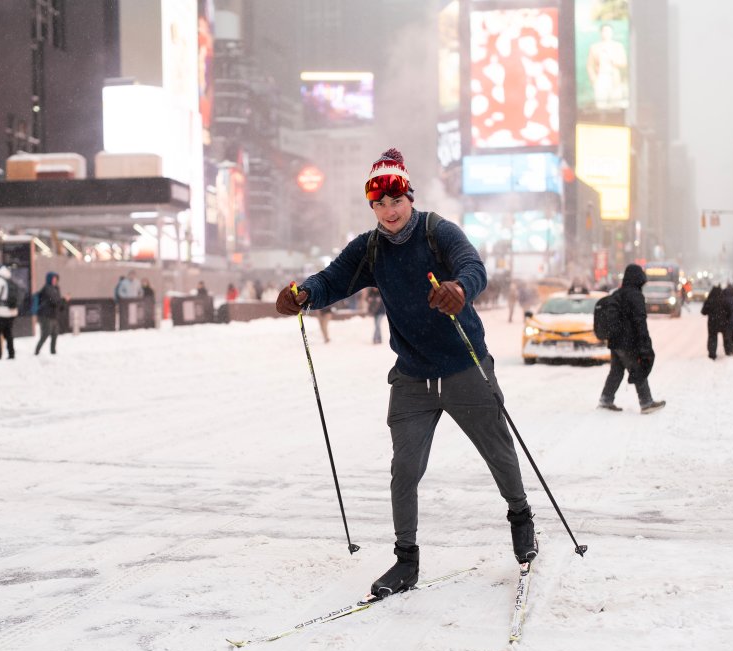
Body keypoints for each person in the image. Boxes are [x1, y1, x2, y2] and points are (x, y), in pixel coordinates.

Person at [275, 147, 537, 597]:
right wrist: (303, 294)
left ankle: (521, 517)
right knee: (405, 469)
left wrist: (459, 288)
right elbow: (333, 279)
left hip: (463, 366)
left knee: (498, 452)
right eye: (379, 204)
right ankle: (406, 560)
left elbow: (474, 268)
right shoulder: (371, 248)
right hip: (413, 376)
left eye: (395, 201)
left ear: (409, 197)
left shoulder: (439, 232)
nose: (389, 211)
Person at [598, 264, 665, 413]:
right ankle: (646, 403)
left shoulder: (618, 294)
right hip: (628, 342)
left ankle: (606, 399)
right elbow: (639, 321)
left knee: (616, 371)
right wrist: (645, 343)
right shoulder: (635, 295)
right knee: (638, 369)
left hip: (615, 341)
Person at [587, 23, 628, 111]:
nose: (606, 33)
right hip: (600, 79)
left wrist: (614, 61)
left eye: (609, 31)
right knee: (601, 106)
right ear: (601, 33)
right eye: (604, 31)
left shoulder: (618, 46)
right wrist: (594, 80)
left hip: (614, 78)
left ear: (612, 33)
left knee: (616, 106)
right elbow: (590, 66)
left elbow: (624, 63)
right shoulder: (594, 47)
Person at [34, 272, 67, 356]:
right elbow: (54, 301)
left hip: (53, 315)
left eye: (56, 279)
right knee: (45, 334)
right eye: (53, 279)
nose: (55, 280)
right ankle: (37, 352)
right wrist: (64, 300)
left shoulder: (56, 288)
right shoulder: (47, 288)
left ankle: (53, 352)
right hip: (45, 315)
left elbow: (58, 302)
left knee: (55, 334)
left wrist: (63, 302)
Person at [700, 285, 728, 360]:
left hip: (712, 322)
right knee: (726, 337)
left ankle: (712, 354)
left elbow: (703, 312)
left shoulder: (710, 300)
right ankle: (728, 351)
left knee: (712, 337)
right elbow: (729, 311)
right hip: (723, 322)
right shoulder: (724, 300)